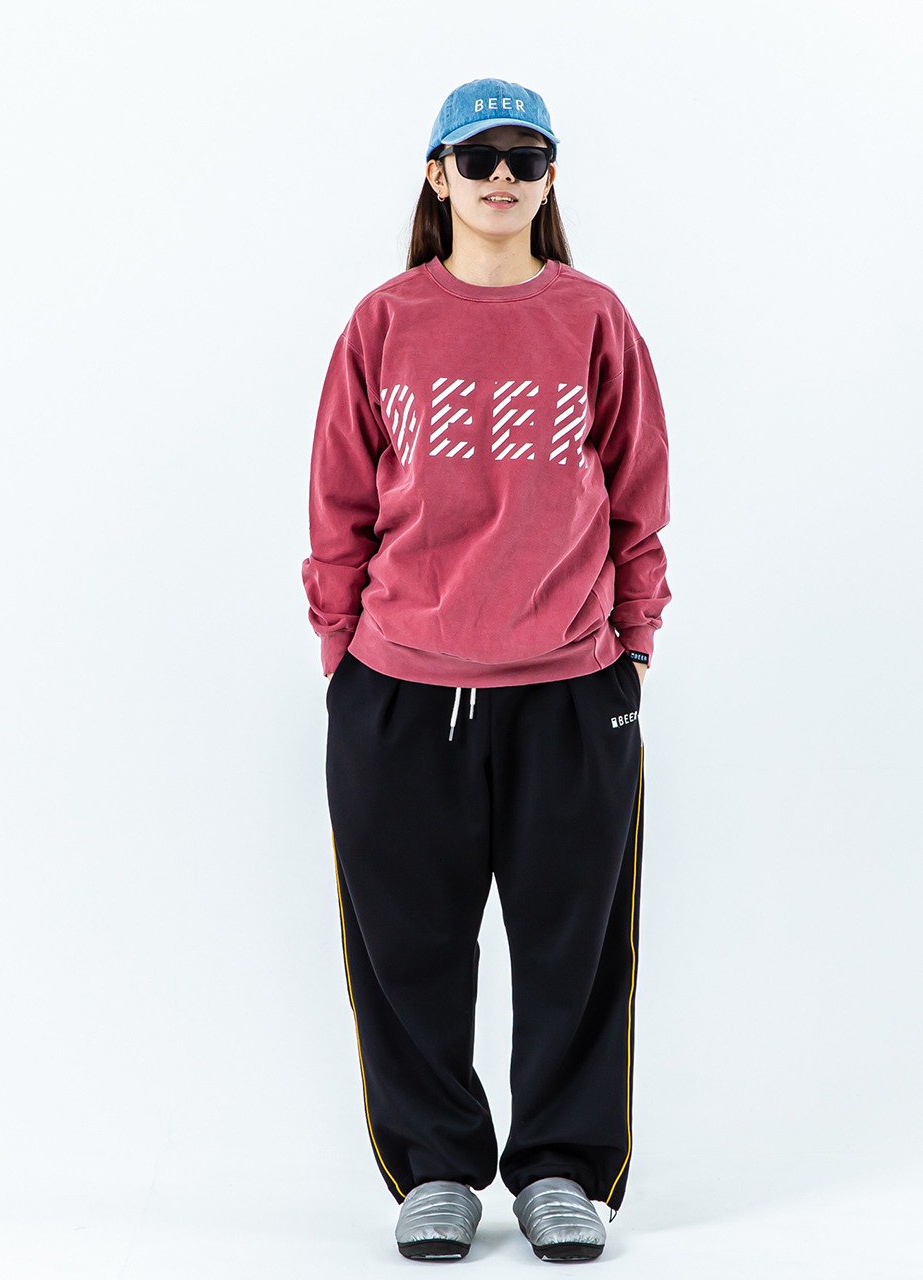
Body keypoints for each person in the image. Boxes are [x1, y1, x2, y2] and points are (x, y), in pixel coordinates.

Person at [301, 76, 672, 1263]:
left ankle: (561, 1168)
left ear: (551, 176)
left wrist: (630, 649)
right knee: (406, 947)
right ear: (437, 175)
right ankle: (436, 1169)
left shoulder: (593, 318)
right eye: (477, 156)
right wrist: (343, 659)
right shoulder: (384, 321)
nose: (501, 175)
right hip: (399, 688)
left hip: (570, 688)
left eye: (525, 155)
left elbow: (638, 498)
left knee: (575, 947)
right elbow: (338, 504)